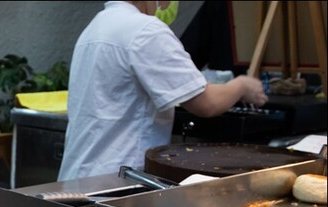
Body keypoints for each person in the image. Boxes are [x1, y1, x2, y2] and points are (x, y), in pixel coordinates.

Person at [57, 1, 268, 181]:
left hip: (77, 179)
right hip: (117, 183)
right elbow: (206, 103)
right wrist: (241, 85)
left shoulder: (97, 26)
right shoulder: (145, 30)